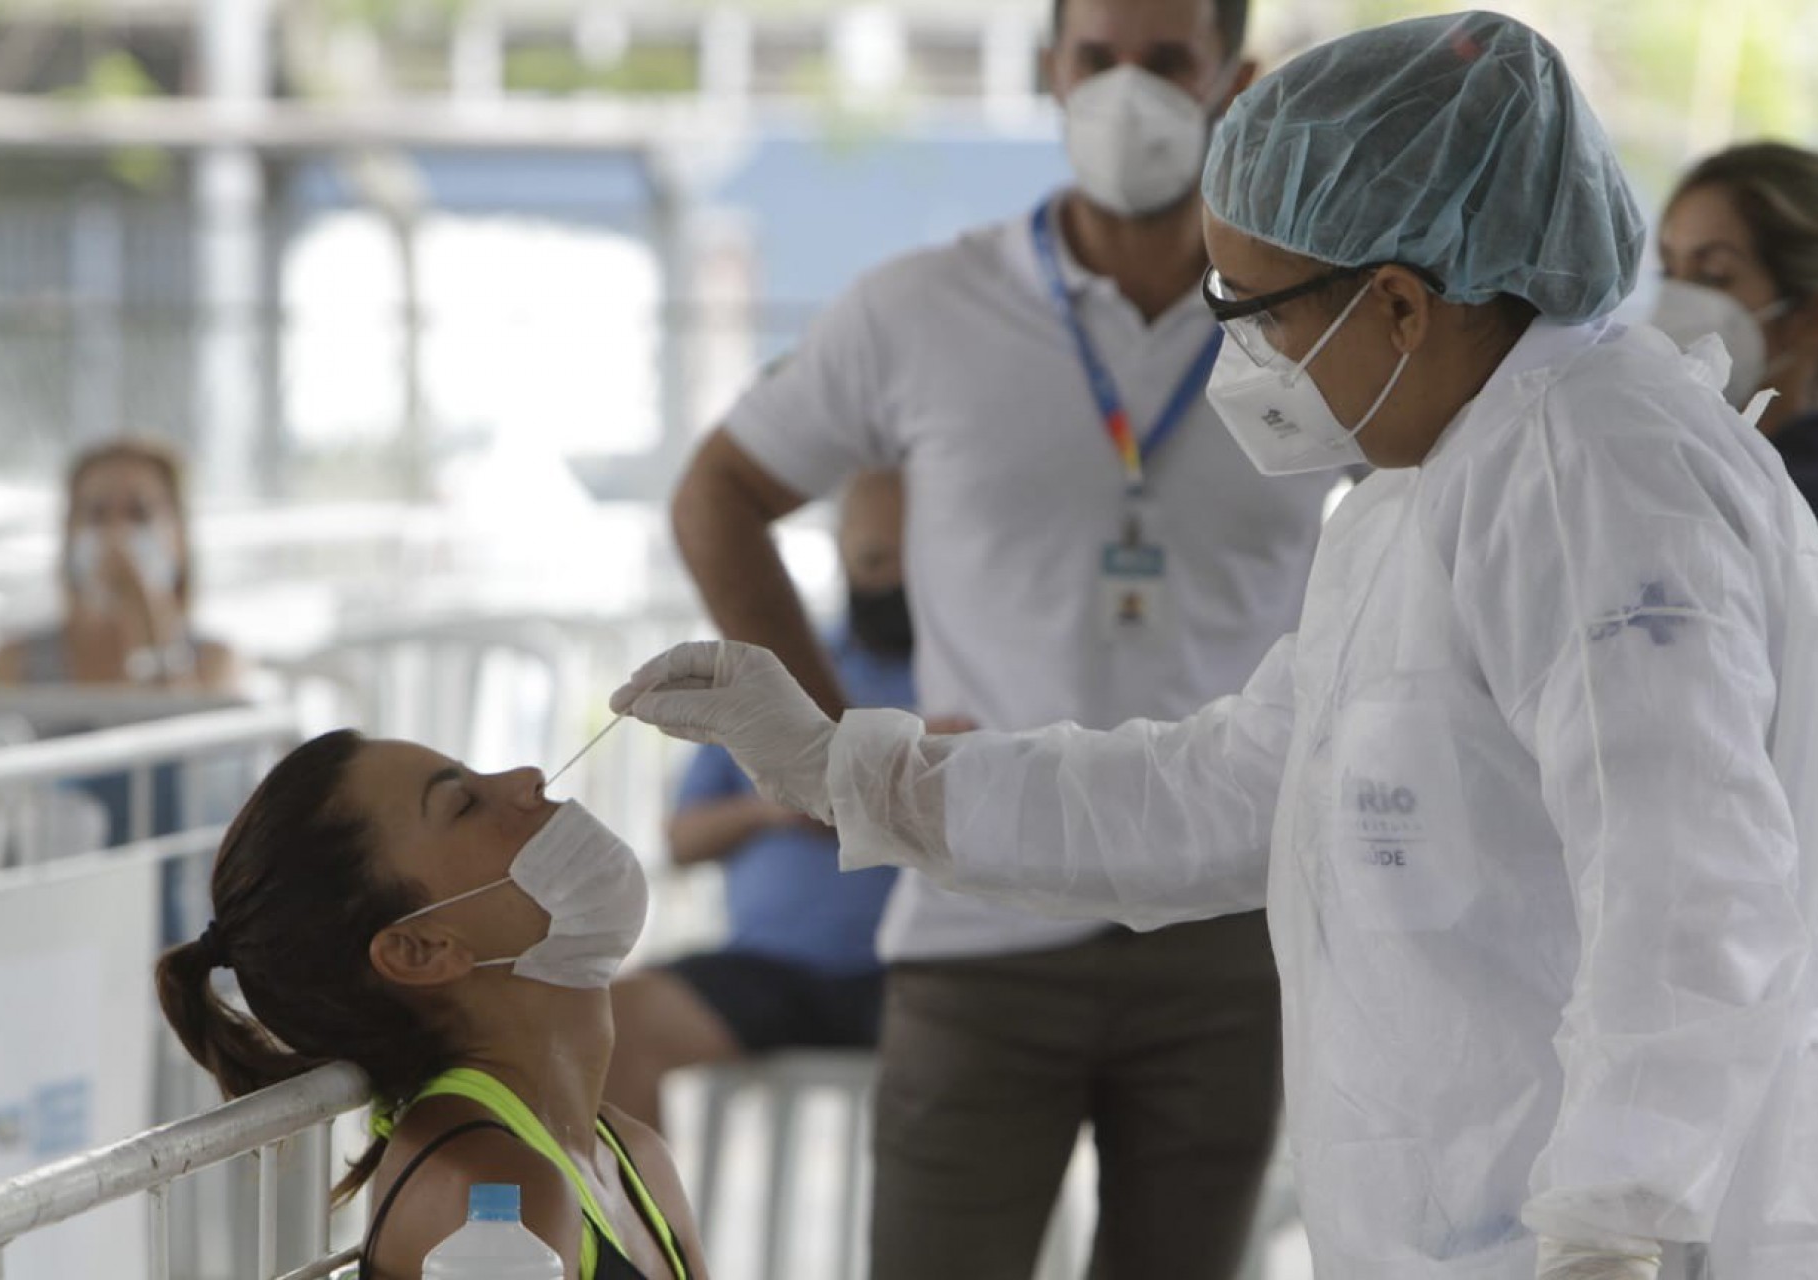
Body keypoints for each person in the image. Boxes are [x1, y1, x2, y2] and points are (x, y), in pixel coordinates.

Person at [615, 12, 1818, 1280]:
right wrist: (855, 771)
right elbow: (1227, 787)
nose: (1247, 357)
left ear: (1397, 302)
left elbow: (1690, 883)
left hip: (1605, 1238)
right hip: (1479, 1226)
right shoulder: (1424, 487)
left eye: (1256, 310)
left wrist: (1616, 1220)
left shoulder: (1588, 465)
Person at [663, 0, 1333, 1271]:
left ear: (1233, 81)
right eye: (1096, 60)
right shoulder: (924, 304)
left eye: (1166, 63)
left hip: (1230, 916)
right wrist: (820, 753)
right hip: (974, 910)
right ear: (1048, 71)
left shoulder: (1312, 316)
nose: (1125, 92)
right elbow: (717, 493)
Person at [156, 730, 709, 1280]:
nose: (527, 779)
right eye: (465, 803)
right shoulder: (491, 1193)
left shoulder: (633, 1154)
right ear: (419, 950)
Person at [606, 471, 915, 1130]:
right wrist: (773, 808)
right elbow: (681, 839)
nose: (899, 578)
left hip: (919, 975)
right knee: (606, 1027)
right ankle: (642, 1231)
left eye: (918, 556)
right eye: (875, 558)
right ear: (840, 553)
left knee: (1011, 1038)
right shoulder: (776, 676)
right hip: (770, 967)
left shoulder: (968, 679)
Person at [1649, 142, 1818, 719]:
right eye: (1669, 270)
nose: (1675, 301)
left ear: (1812, 318)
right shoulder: (1733, 469)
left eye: (1714, 276)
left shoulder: (1809, 503)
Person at [0, 436, 241, 697]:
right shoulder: (13, 664)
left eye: (139, 513)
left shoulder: (215, 663)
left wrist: (148, 617)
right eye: (97, 514)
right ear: (69, 532)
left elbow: (180, 731)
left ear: (178, 536)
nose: (116, 533)